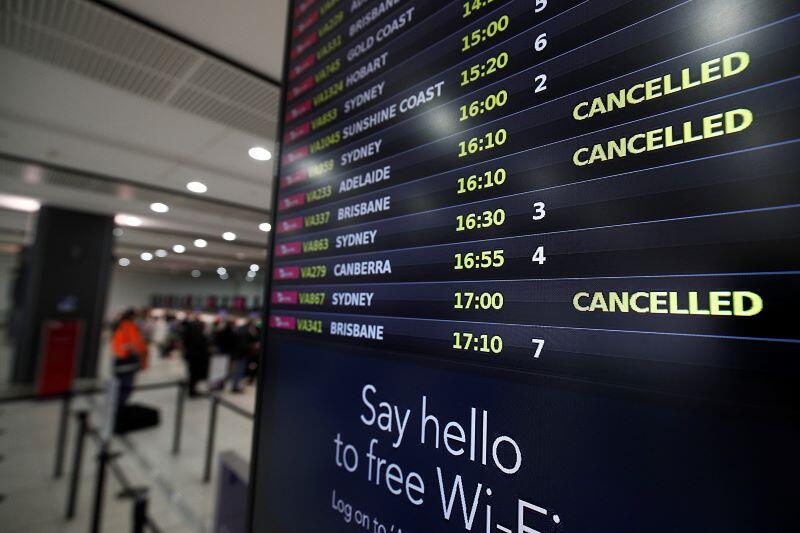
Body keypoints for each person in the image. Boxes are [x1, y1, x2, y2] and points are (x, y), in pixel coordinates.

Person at [110, 308, 147, 408]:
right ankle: (120, 407)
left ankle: (116, 405)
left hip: (119, 360)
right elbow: (137, 344)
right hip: (128, 360)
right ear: (132, 316)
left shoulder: (119, 325)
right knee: (126, 386)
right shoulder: (129, 326)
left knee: (119, 385)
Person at [181, 316, 210, 397]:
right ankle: (192, 390)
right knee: (194, 374)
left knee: (191, 373)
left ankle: (191, 388)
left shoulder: (188, 334)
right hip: (197, 358)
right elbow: (203, 347)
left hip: (191, 357)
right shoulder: (199, 336)